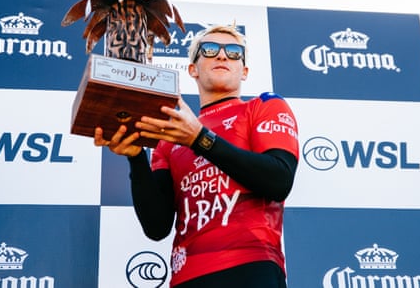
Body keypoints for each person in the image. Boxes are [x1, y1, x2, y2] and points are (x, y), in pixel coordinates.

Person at [94, 24, 300, 287]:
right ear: (192, 69)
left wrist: (199, 140)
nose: (223, 56)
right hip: (187, 276)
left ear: (244, 71)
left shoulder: (263, 107)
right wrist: (136, 158)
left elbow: (279, 180)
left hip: (251, 267)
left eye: (234, 52)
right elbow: (156, 226)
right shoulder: (170, 138)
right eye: (210, 49)